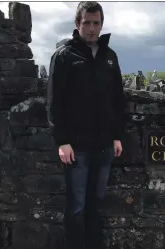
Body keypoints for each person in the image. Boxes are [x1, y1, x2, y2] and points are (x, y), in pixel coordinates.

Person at [47, 2, 126, 249]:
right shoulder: (64, 56)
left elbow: (117, 99)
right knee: (77, 206)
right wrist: (62, 141)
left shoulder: (110, 57)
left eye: (96, 23)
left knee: (96, 203)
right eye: (87, 23)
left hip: (104, 145)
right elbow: (54, 102)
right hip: (77, 147)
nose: (92, 28)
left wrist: (117, 136)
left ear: (101, 25)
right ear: (77, 24)